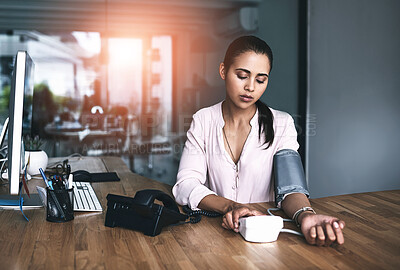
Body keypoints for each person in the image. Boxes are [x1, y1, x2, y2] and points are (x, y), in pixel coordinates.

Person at [172, 36, 345, 246]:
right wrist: (230, 207)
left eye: (260, 79)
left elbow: (291, 188)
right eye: (242, 76)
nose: (250, 87)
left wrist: (305, 215)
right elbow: (185, 185)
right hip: (212, 239)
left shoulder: (282, 123)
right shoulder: (203, 120)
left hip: (265, 238)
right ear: (223, 71)